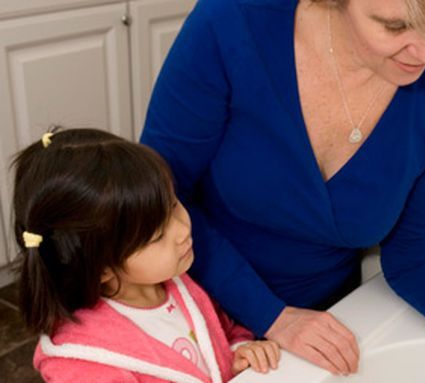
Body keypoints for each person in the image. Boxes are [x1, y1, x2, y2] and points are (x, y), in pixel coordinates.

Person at [141, 0, 425, 381]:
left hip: (325, 323)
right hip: (180, 310)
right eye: (395, 26)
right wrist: (272, 315)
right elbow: (157, 197)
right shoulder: (232, 22)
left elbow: (411, 260)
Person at [11, 128, 280, 383]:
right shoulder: (82, 362)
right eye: (157, 236)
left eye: (173, 205)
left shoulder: (179, 283)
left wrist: (239, 352)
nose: (182, 230)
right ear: (102, 268)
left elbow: (223, 331)